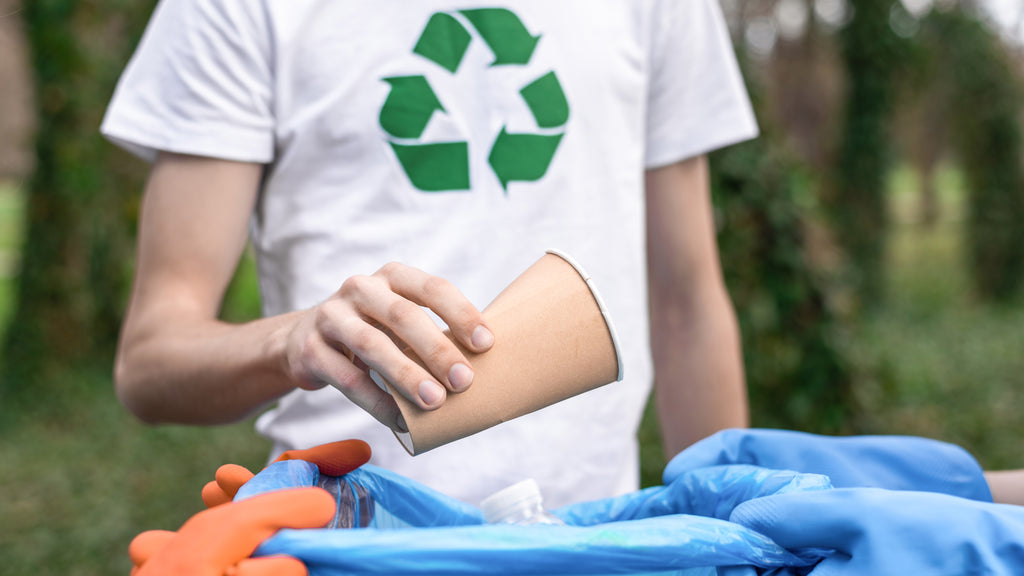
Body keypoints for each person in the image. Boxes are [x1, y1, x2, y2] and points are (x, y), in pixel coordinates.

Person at [101, 0, 758, 508]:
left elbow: (687, 308)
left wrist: (736, 539)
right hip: (344, 542)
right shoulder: (230, 12)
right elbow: (151, 363)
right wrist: (290, 342)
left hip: (593, 543)